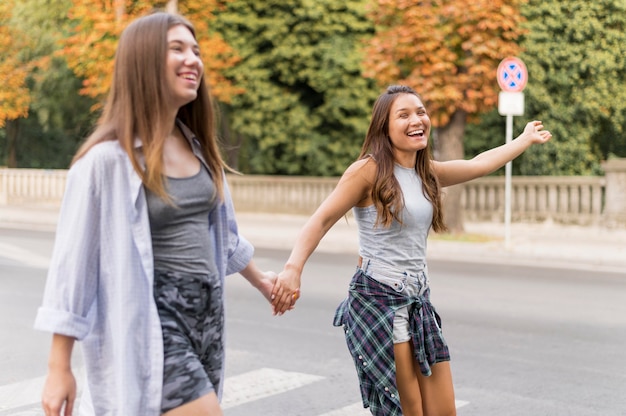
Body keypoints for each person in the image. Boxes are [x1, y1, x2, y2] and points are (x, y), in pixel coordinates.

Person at [34, 11, 279, 416]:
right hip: (154, 317)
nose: (193, 59)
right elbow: (73, 266)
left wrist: (261, 280)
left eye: (196, 51)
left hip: (208, 313)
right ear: (144, 62)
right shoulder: (106, 162)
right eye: (177, 48)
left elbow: (224, 235)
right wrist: (58, 367)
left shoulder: (198, 148)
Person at [271, 84, 552, 416]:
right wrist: (293, 268)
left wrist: (522, 140)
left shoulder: (425, 172)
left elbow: (478, 164)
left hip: (418, 301)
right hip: (380, 301)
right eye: (403, 115)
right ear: (384, 128)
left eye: (420, 111)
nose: (416, 119)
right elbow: (321, 220)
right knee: (409, 411)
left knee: (443, 410)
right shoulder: (368, 170)